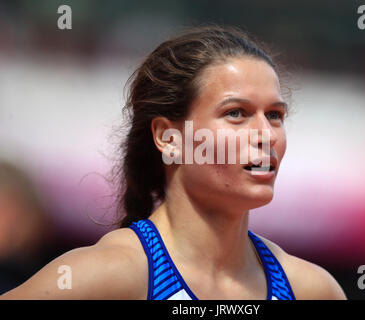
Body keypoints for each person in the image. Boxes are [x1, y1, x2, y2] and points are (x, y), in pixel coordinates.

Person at [1, 25, 346, 300]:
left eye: (274, 115)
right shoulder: (106, 275)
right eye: (236, 113)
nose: (266, 135)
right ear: (169, 138)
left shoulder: (310, 289)